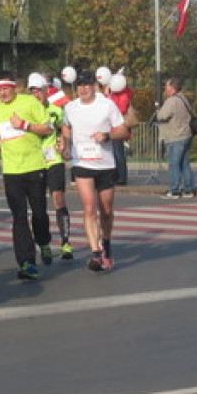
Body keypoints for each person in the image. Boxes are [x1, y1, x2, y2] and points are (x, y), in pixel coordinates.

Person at [62, 69, 130, 271]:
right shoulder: (71, 107)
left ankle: (106, 244)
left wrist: (107, 136)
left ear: (94, 86)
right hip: (82, 163)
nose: (82, 89)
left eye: (86, 85)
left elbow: (123, 130)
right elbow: (66, 127)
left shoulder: (106, 105)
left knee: (106, 210)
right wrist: (66, 145)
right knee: (89, 207)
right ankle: (96, 253)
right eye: (79, 85)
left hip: (105, 164)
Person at [0, 70, 53, 280]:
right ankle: (27, 262)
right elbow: (0, 138)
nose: (2, 93)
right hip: (11, 170)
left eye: (6, 89)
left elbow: (48, 128)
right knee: (19, 216)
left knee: (39, 213)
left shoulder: (30, 102)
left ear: (14, 87)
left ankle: (43, 241)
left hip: (34, 166)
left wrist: (25, 125)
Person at [27, 72, 73, 260]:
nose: (36, 94)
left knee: (58, 199)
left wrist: (65, 144)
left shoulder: (56, 109)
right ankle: (44, 243)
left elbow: (65, 128)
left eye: (39, 91)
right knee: (38, 205)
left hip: (54, 159)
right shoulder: (26, 111)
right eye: (33, 91)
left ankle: (66, 242)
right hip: (34, 160)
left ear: (46, 91)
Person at [155, 77, 197, 199]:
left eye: (167, 86)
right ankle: (189, 189)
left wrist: (158, 111)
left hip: (175, 137)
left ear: (172, 88)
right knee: (185, 164)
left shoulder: (172, 101)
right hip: (186, 134)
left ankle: (174, 190)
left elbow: (161, 116)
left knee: (174, 164)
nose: (165, 88)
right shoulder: (183, 98)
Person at [106, 72, 133, 186]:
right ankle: (116, 175)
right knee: (114, 152)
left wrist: (109, 96)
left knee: (118, 152)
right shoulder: (117, 94)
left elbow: (120, 109)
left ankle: (121, 177)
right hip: (113, 127)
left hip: (118, 128)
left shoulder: (124, 96)